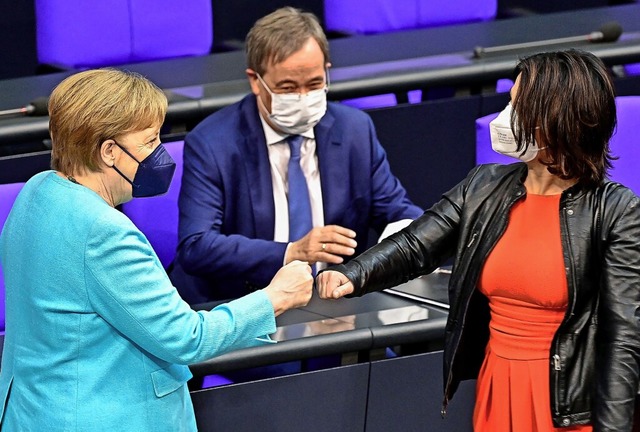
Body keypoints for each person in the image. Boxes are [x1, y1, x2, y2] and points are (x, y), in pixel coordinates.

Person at [316, 49, 640, 431]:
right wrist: (353, 274)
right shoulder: (483, 186)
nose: (506, 117)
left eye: (519, 107)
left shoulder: (617, 211)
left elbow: (623, 339)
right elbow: (416, 245)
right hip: (497, 387)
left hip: (569, 404)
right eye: (509, 102)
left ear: (558, 120)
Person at [0, 69, 313, 431]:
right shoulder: (105, 233)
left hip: (33, 412)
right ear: (109, 152)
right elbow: (186, 338)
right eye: (149, 141)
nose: (160, 153)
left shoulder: (37, 191)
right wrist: (275, 298)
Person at [169, 6, 423, 304]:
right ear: (255, 81)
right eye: (288, 88)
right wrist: (292, 251)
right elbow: (197, 247)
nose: (304, 97)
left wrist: (408, 240)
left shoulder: (355, 130)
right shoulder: (213, 142)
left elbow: (398, 212)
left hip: (335, 303)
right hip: (246, 304)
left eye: (314, 84)